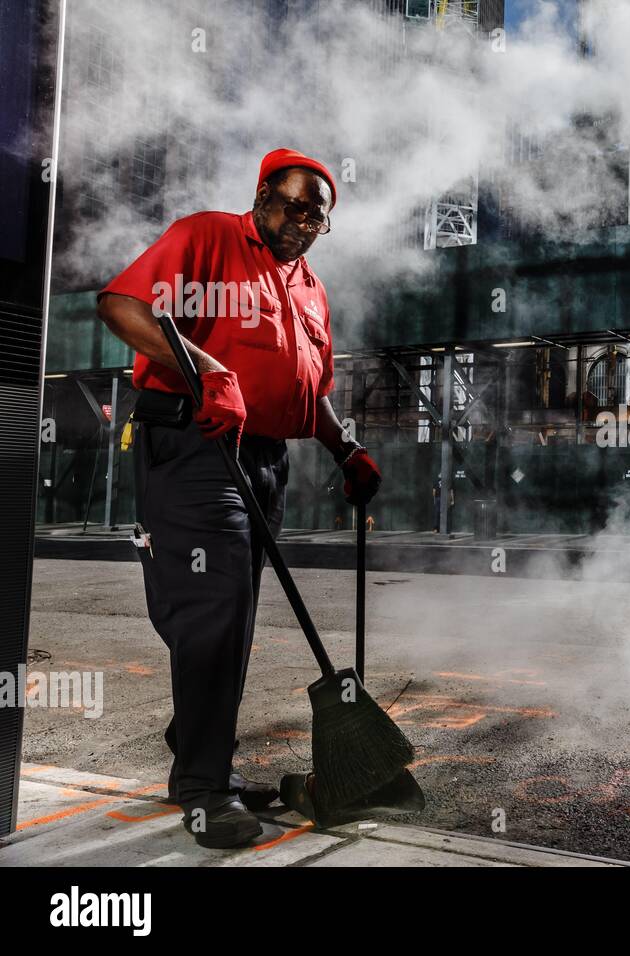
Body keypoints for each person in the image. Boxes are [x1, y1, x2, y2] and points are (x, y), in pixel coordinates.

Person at [96, 148, 381, 849]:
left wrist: (346, 447)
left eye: (318, 215)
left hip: (261, 460)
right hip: (192, 445)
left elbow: (305, 392)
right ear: (261, 197)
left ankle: (199, 755)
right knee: (214, 609)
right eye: (292, 204)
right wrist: (209, 369)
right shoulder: (208, 236)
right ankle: (202, 789)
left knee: (233, 619)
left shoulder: (310, 288)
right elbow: (122, 305)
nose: (303, 222)